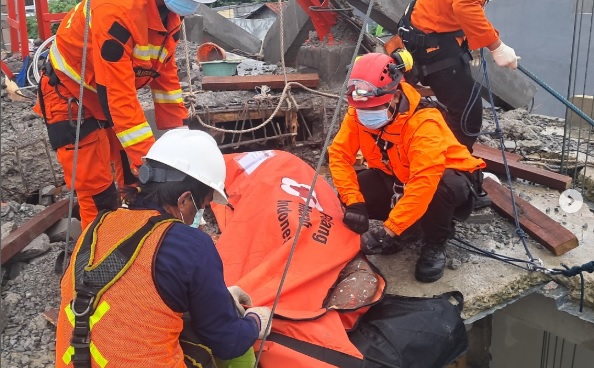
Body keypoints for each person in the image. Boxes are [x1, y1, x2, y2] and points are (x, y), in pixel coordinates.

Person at [54, 129, 272, 367]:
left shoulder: (97, 226)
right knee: (239, 353)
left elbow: (130, 291)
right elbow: (228, 342)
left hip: (76, 360)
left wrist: (212, 297)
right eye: (202, 206)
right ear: (184, 200)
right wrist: (255, 322)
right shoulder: (190, 245)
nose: (199, 216)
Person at [33, 0, 216, 229]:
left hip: (107, 92)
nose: (192, 5)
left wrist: (180, 135)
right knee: (98, 194)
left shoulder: (168, 16)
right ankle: (98, 256)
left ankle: (140, 238)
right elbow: (117, 97)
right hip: (70, 97)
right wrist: (154, 165)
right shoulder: (115, 10)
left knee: (134, 181)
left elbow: (164, 72)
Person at [328, 53, 486, 283]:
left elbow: (424, 181)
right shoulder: (358, 112)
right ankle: (409, 227)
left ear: (394, 95)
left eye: (374, 108)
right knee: (357, 188)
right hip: (399, 176)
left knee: (441, 188)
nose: (366, 116)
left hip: (446, 178)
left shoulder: (424, 122)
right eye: (362, 110)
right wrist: (354, 202)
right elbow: (339, 154)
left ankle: (436, 242)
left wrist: (388, 230)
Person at [396, 0, 518, 151]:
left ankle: (431, 151)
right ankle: (450, 164)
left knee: (459, 107)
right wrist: (496, 46)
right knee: (467, 116)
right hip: (433, 44)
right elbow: (465, 5)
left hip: (421, 35)